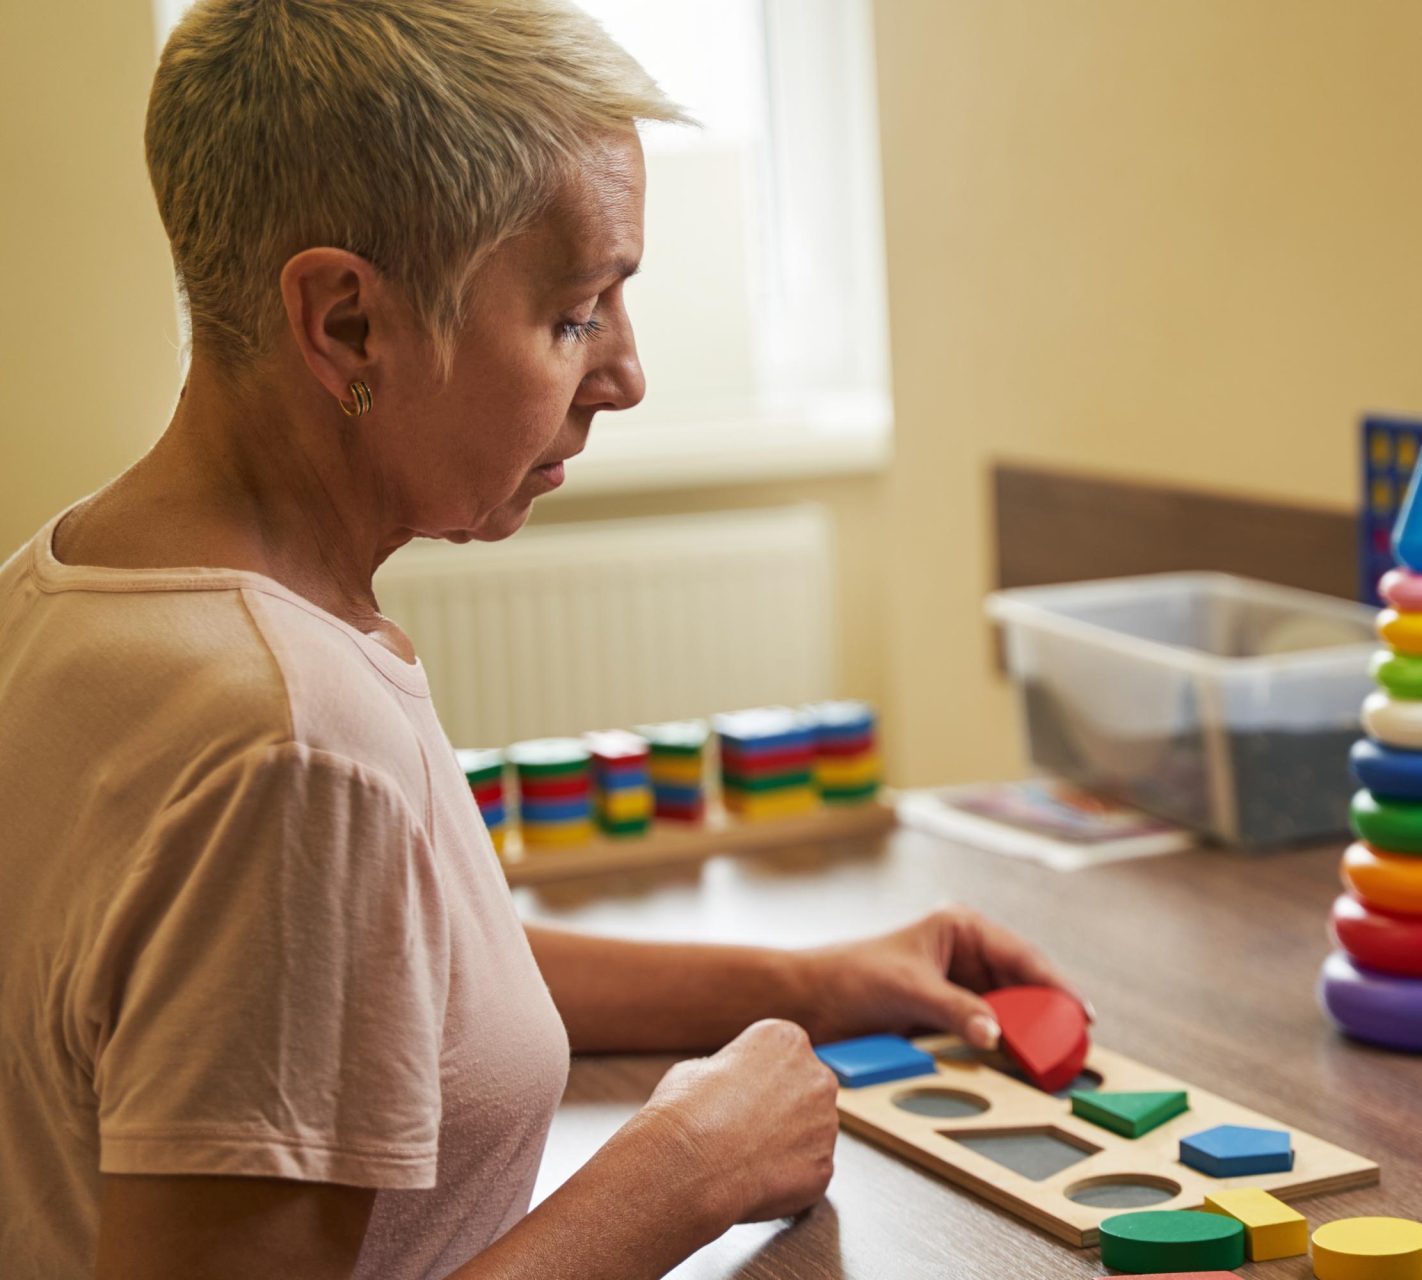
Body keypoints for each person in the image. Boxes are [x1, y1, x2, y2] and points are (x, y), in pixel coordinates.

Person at [0, 2, 1082, 1276]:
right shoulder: (289, 743)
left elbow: (402, 982)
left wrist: (811, 980)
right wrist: (684, 1170)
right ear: (346, 322)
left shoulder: (68, 585)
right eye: (576, 312)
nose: (624, 375)